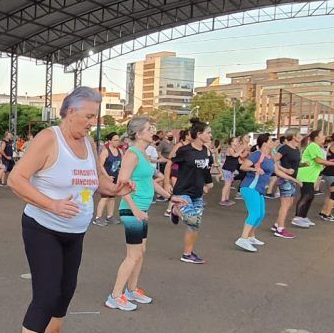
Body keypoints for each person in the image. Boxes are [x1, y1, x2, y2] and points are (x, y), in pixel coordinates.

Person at [9, 87, 131, 333]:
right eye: (89, 115)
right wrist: (51, 204)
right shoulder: (49, 139)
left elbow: (97, 180)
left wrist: (115, 190)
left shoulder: (88, 143)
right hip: (43, 227)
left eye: (96, 116)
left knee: (66, 290)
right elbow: (16, 179)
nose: (94, 121)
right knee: (46, 294)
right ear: (69, 112)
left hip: (75, 231)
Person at [105, 117, 164, 311]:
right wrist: (136, 210)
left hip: (141, 209)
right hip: (132, 209)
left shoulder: (144, 154)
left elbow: (150, 181)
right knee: (133, 254)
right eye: (148, 129)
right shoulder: (132, 154)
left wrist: (171, 197)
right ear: (138, 133)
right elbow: (122, 183)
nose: (151, 131)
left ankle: (131, 290)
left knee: (140, 253)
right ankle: (115, 295)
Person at [164, 120, 214, 264]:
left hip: (197, 193)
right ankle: (175, 210)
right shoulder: (185, 150)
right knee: (192, 219)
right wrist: (167, 182)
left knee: (195, 225)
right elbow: (170, 163)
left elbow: (206, 170)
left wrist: (208, 184)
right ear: (199, 134)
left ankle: (187, 254)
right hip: (182, 191)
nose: (211, 135)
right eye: (208, 132)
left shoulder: (207, 151)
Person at [235, 134, 275, 252]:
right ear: (265, 143)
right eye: (271, 140)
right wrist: (255, 169)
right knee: (255, 213)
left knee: (261, 214)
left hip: (259, 189)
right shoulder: (257, 155)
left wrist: (294, 178)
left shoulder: (270, 157)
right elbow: (243, 166)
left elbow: (276, 170)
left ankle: (251, 237)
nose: (273, 142)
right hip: (250, 187)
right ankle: (243, 239)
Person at [291, 129, 334, 227]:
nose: (324, 136)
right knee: (306, 195)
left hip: (310, 176)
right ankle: (297, 217)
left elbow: (319, 161)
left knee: (310, 196)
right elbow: (318, 160)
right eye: (322, 135)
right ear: (316, 138)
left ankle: (303, 217)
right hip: (305, 175)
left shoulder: (316, 147)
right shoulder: (313, 146)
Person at [270, 133, 301, 239]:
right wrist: (284, 169)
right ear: (293, 136)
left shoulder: (296, 149)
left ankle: (277, 224)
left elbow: (294, 163)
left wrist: (303, 165)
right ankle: (280, 229)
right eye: (299, 134)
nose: (300, 136)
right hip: (284, 179)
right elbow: (272, 161)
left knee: (290, 203)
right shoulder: (284, 148)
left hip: (292, 179)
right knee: (285, 204)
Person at [93, 132, 124, 226]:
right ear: (109, 141)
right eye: (115, 140)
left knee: (112, 197)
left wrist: (121, 176)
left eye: (118, 140)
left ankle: (110, 216)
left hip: (115, 177)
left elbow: (122, 165)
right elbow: (100, 165)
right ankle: (98, 218)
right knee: (105, 197)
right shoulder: (105, 151)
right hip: (105, 177)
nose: (117, 142)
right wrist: (107, 177)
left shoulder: (120, 151)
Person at [219, 135, 246, 206]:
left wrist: (244, 149)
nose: (237, 142)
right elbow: (235, 155)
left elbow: (242, 156)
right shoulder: (230, 149)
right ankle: (222, 200)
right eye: (236, 141)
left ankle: (226, 199)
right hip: (227, 169)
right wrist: (241, 148)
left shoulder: (236, 149)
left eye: (237, 141)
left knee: (229, 184)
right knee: (227, 184)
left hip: (231, 169)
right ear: (231, 143)